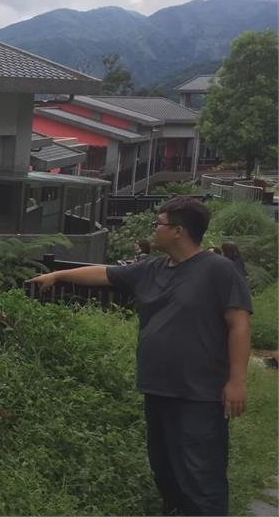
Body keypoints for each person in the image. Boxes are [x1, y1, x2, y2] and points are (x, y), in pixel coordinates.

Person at [26, 196, 252, 516]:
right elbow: (104, 274)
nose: (153, 231)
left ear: (178, 231)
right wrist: (58, 276)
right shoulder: (152, 269)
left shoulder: (218, 271)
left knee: (202, 473)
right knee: (165, 468)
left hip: (199, 393)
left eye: (158, 224)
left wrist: (237, 382)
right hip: (157, 388)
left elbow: (239, 325)